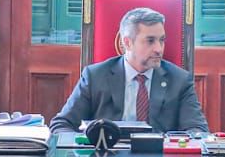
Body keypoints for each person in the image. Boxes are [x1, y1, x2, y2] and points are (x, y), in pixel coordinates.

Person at [49, 7, 209, 135]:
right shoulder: (95, 76)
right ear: (128, 43)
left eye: (162, 40)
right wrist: (86, 146)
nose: (159, 49)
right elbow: (61, 125)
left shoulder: (179, 80)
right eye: (150, 41)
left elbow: (198, 131)